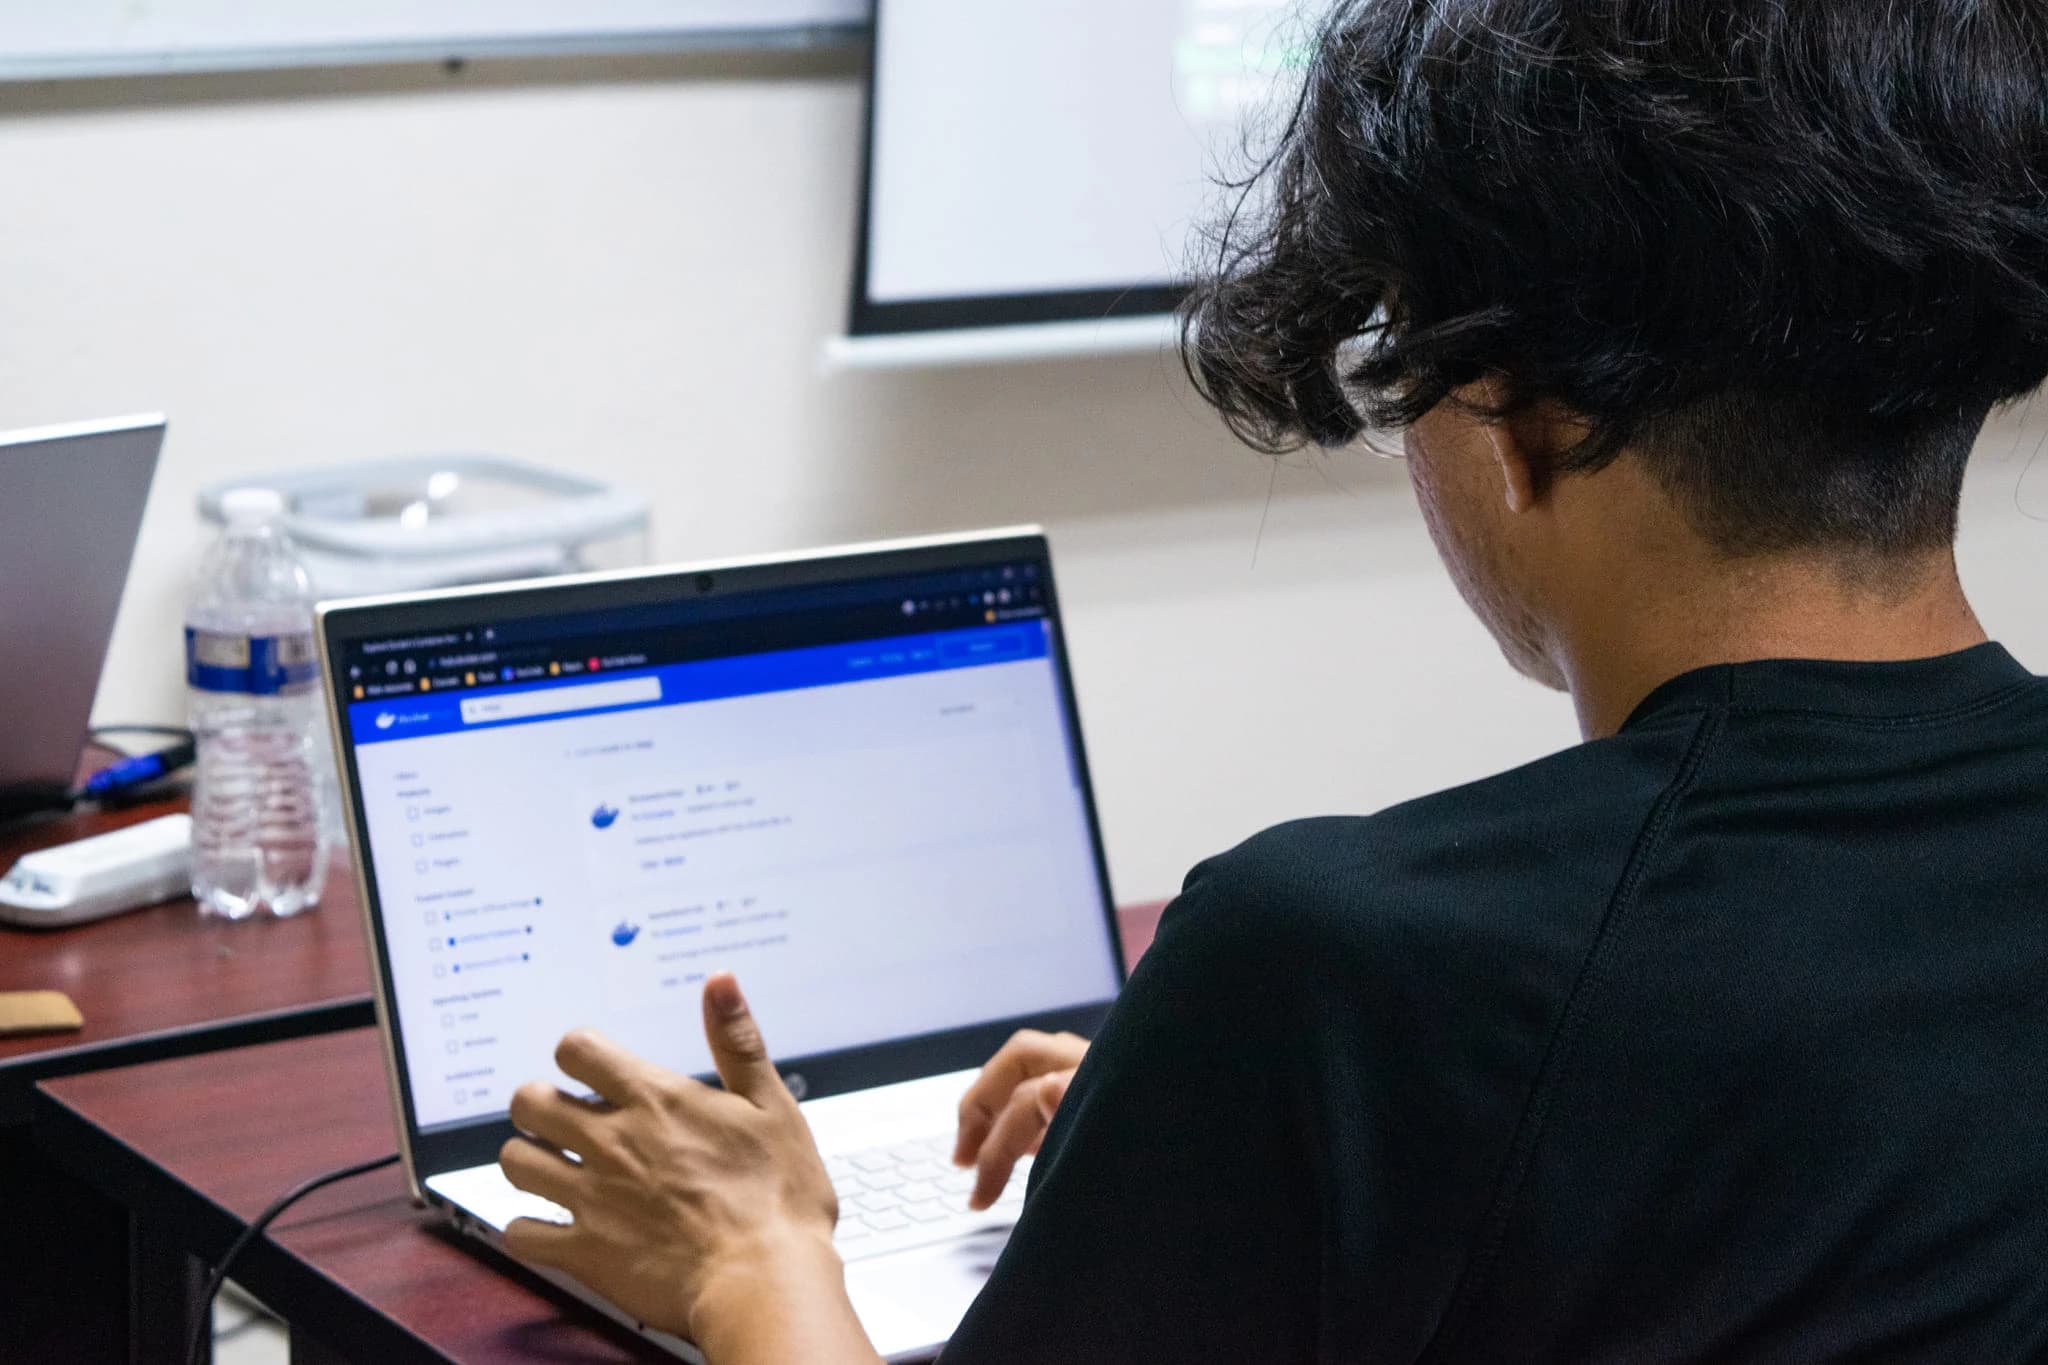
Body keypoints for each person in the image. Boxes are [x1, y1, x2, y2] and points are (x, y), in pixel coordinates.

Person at [493, 2, 2048, 1360]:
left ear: (1515, 416)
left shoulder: (1341, 968)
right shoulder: (1377, 1020)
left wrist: (753, 1254)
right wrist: (1231, 1146)